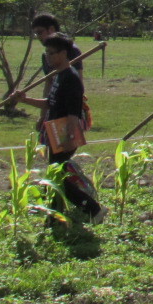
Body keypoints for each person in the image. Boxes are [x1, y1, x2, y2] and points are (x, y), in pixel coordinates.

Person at [36, 34, 104, 224]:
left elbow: (74, 114)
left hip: (64, 133)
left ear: (63, 53)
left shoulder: (72, 79)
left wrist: (69, 139)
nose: (48, 57)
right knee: (56, 175)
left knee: (59, 178)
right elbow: (49, 103)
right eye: (46, 53)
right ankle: (54, 215)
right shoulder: (59, 75)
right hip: (54, 131)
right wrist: (22, 99)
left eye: (51, 53)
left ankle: (93, 209)